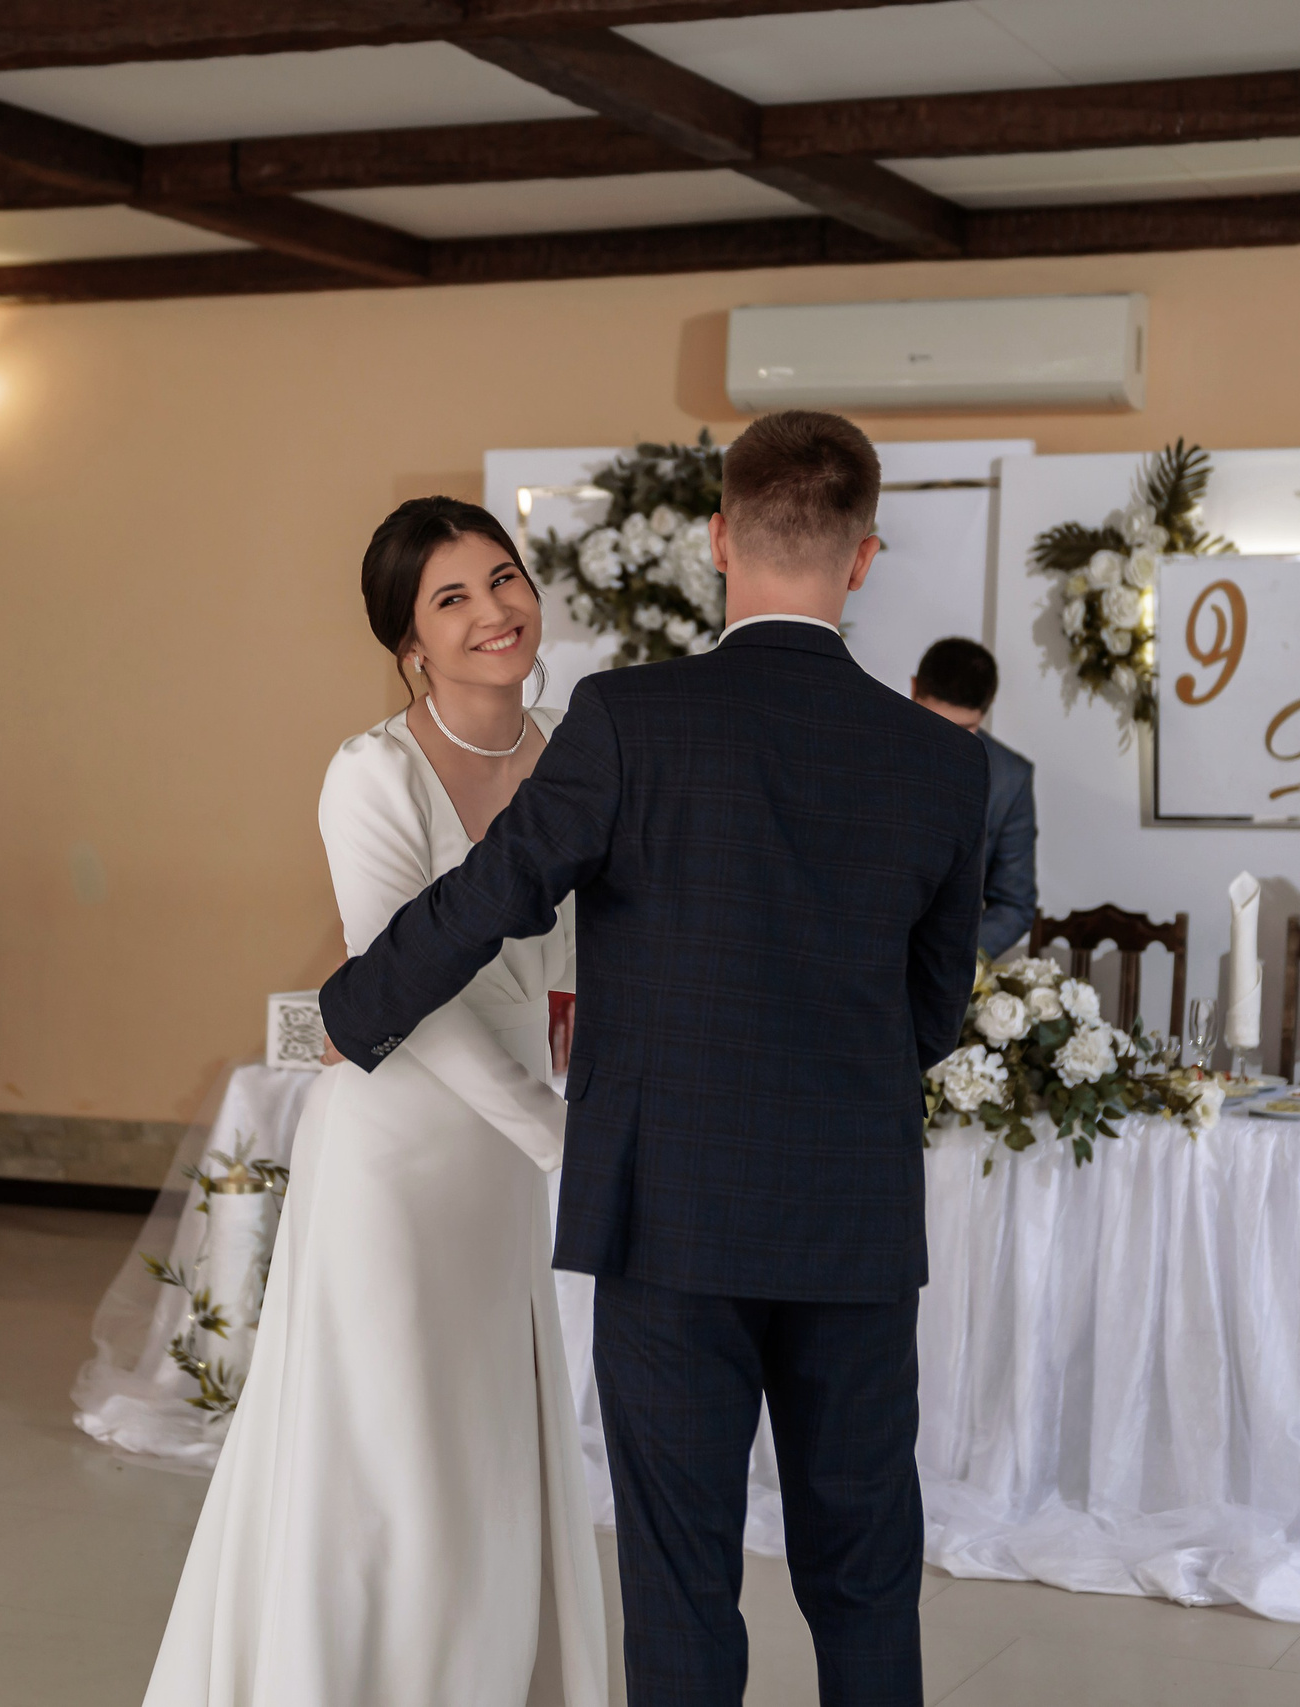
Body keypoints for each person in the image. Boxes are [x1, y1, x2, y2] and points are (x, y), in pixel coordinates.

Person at [323, 412, 990, 1707]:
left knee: (682, 1583)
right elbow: (932, 1011)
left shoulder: (630, 719)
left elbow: (498, 893)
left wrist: (362, 1008)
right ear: (861, 559)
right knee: (862, 1579)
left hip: (670, 1216)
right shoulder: (940, 762)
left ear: (719, 539)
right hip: (851, 1222)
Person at [142, 498, 606, 1705]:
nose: (495, 611)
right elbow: (409, 997)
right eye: (452, 598)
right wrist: (554, 1134)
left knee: (487, 1439)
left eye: (503, 580)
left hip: (501, 1165)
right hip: (398, 1150)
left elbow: (580, 963)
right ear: (408, 642)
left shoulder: (573, 752)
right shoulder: (370, 776)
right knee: (390, 1446)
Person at [911, 636, 1037, 962]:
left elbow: (1014, 904)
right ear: (913, 690)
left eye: (964, 729)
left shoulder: (1010, 779)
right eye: (935, 724)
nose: (948, 743)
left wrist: (945, 956)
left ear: (985, 714)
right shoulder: (869, 749)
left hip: (946, 968)